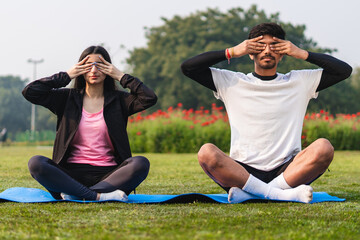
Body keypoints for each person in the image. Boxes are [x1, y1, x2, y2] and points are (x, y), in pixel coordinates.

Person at [181, 23, 352, 203]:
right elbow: (188, 68)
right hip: (242, 172)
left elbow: (344, 71)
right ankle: (279, 194)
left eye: (274, 46)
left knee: (324, 148)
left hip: (288, 171)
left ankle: (253, 194)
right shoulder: (230, 81)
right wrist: (233, 51)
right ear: (250, 52)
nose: (267, 51)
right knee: (206, 152)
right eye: (260, 46)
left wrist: (300, 52)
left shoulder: (300, 81)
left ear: (283, 52)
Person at [22, 46, 157, 201]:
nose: (94, 70)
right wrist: (66, 75)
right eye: (88, 65)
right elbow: (30, 92)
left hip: (110, 177)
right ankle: (96, 196)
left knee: (141, 163)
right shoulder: (66, 98)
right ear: (80, 69)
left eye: (99, 65)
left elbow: (149, 98)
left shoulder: (120, 100)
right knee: (36, 163)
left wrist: (120, 75)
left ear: (108, 68)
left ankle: (79, 194)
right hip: (69, 176)